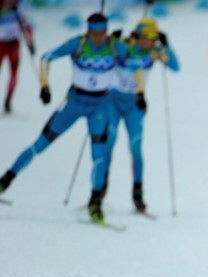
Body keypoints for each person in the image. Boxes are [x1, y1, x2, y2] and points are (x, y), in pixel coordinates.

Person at [0, 12, 128, 224]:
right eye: (94, 32)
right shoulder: (78, 44)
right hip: (74, 103)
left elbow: (135, 59)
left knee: (99, 155)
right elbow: (46, 58)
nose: (98, 37)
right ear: (88, 30)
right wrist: (44, 86)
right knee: (40, 144)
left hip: (100, 106)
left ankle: (95, 203)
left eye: (102, 32)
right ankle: (5, 180)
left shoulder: (115, 45)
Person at [103, 17, 180, 213]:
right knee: (108, 145)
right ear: (139, 36)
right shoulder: (125, 46)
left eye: (155, 38)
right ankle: (98, 192)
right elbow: (125, 62)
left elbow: (175, 67)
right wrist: (111, 41)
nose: (152, 42)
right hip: (112, 102)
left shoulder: (154, 51)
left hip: (134, 105)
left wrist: (167, 46)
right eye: (149, 38)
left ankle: (138, 196)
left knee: (136, 150)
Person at [0, 0, 35, 113]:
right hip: (1, 44)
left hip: (14, 43)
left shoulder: (18, 8)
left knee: (14, 74)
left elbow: (26, 25)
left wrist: (31, 43)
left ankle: (8, 101)